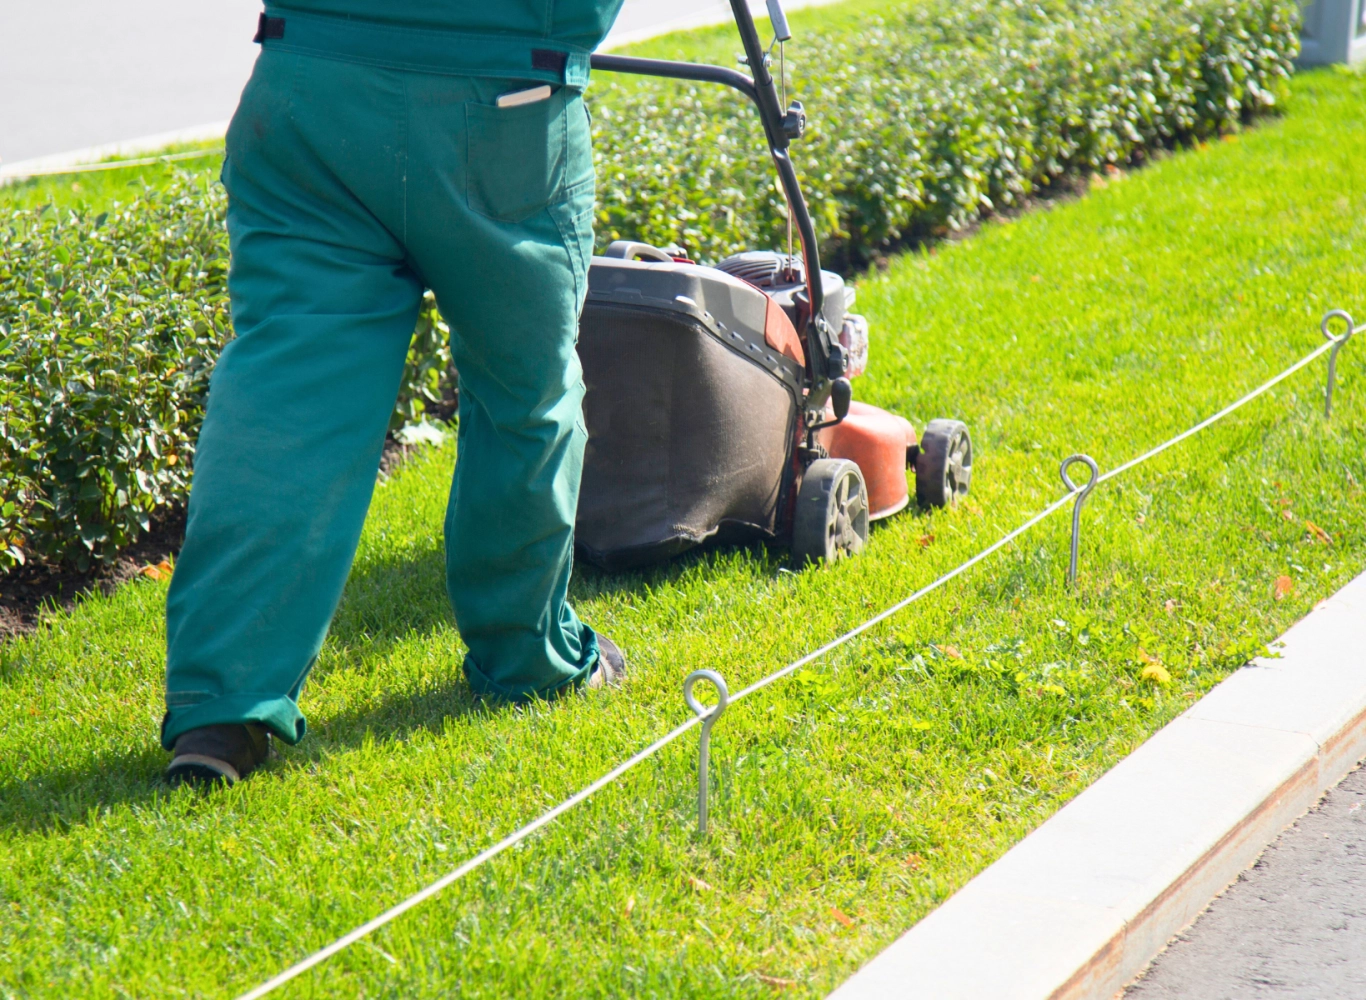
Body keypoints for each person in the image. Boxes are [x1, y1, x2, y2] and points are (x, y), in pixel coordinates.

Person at [162, 0, 628, 787]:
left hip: (307, 90)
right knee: (523, 396)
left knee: (286, 401)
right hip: (503, 104)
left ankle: (222, 703)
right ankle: (528, 658)